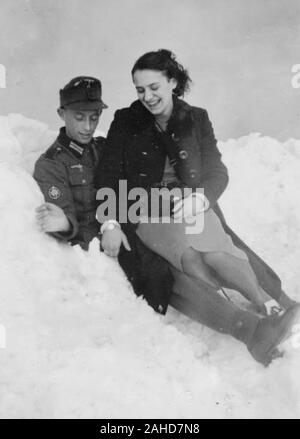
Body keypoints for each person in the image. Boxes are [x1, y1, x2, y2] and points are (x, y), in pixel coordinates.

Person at [96, 49, 300, 367]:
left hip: (188, 205)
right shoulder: (126, 121)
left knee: (219, 250)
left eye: (154, 87)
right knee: (188, 258)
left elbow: (217, 171)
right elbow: (107, 175)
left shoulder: (196, 118)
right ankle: (249, 323)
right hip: (146, 209)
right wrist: (110, 221)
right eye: (140, 89)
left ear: (173, 82)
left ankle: (268, 307)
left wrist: (201, 198)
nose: (147, 97)